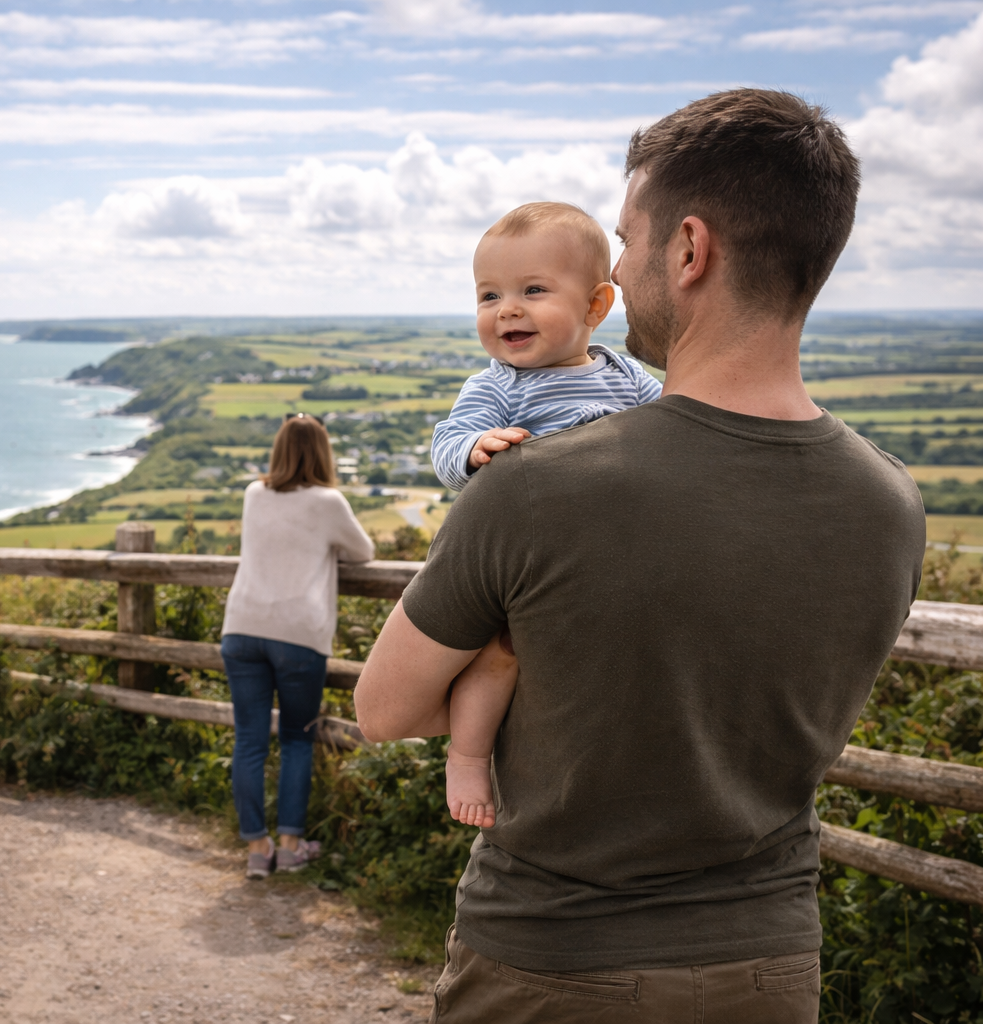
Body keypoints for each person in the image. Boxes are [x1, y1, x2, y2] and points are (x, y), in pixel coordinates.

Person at [355, 88, 926, 1024]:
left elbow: (384, 709)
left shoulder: (537, 485)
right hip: (773, 966)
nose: (617, 262)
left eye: (627, 237)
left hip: (554, 961)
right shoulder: (889, 503)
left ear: (690, 250)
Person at [426, 201, 662, 827]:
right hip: (531, 563)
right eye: (488, 295)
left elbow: (680, 421)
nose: (507, 309)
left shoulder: (625, 375)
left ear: (596, 306)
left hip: (611, 558)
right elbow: (446, 443)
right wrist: (473, 450)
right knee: (500, 655)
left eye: (533, 290)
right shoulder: (499, 386)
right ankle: (469, 758)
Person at [221, 413, 375, 880]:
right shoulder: (328, 501)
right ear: (323, 452)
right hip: (298, 635)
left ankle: (256, 849)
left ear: (280, 450)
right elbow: (364, 552)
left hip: (242, 628)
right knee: (295, 739)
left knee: (248, 740)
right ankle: (290, 846)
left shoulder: (254, 492)